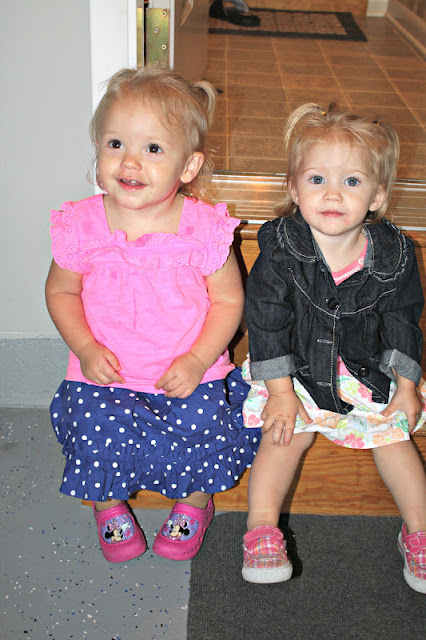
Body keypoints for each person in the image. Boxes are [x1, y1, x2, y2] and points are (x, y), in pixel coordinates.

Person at [45, 66, 259, 564]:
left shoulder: (204, 229)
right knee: (95, 433)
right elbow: (61, 291)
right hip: (105, 374)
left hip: (188, 371)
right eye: (115, 143)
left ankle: (195, 503)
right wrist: (84, 347)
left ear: (189, 166)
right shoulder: (81, 224)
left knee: (203, 429)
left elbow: (229, 301)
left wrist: (198, 359)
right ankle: (107, 504)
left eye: (154, 148)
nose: (130, 161)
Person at [241, 102, 426, 593]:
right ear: (293, 188)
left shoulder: (394, 254)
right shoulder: (281, 248)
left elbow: (402, 320)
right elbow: (266, 320)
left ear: (377, 195)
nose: (332, 194)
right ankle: (261, 529)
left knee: (395, 438)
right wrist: (281, 393)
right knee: (283, 435)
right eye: (317, 179)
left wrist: (406, 387)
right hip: (296, 371)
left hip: (364, 369)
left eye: (352, 181)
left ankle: (420, 533)